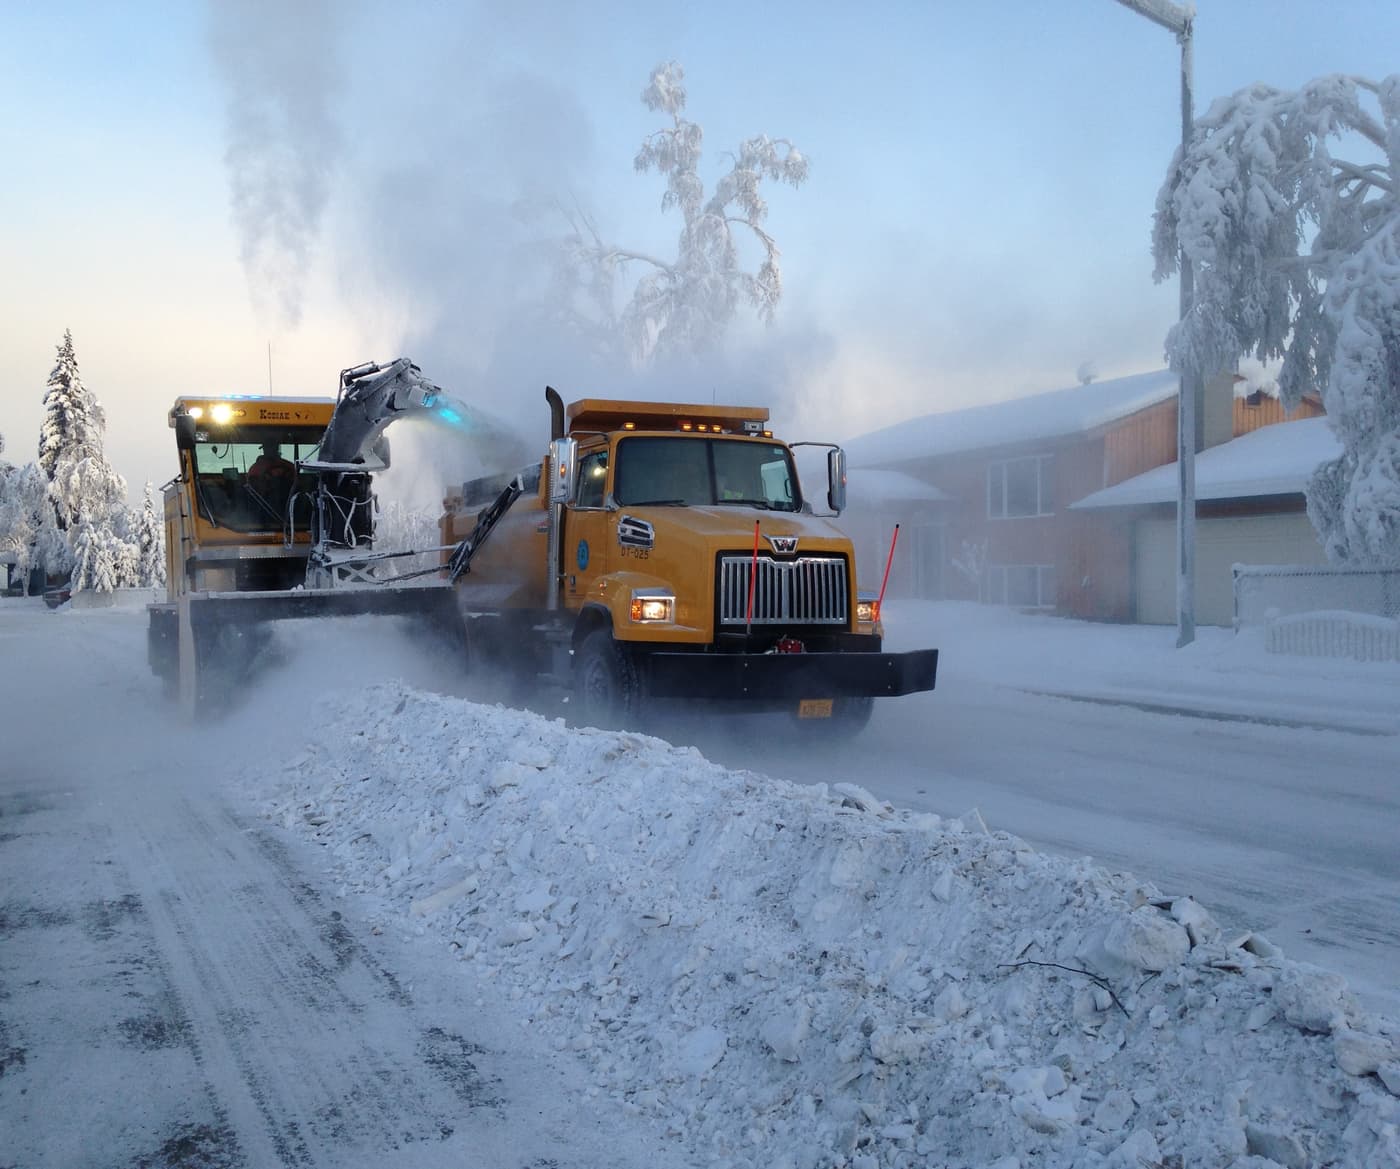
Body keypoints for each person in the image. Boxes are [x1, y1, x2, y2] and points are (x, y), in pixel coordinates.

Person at [247, 441, 296, 509]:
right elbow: (252, 489)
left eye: (272, 447)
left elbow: (296, 484)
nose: (269, 450)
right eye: (267, 448)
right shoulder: (255, 468)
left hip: (288, 503)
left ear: (277, 448)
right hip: (263, 505)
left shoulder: (289, 466)